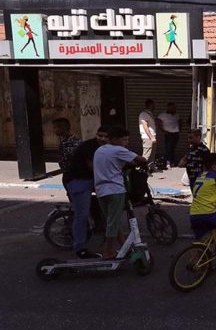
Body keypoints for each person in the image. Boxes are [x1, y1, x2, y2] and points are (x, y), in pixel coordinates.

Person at [93, 126, 147, 259]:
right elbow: (141, 159)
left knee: (111, 220)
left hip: (100, 190)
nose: (126, 142)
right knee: (113, 222)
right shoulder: (118, 150)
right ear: (115, 139)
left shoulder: (100, 150)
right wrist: (137, 162)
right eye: (124, 139)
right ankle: (108, 251)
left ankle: (123, 244)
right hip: (115, 190)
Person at [62, 126, 109, 259]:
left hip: (91, 179)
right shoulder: (89, 146)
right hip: (78, 180)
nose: (103, 139)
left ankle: (101, 228)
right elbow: (93, 167)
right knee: (82, 215)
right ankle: (80, 248)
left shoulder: (108, 146)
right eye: (100, 135)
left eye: (106, 136)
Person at [157, 102, 181, 168]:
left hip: (175, 134)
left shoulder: (176, 115)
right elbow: (158, 122)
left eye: (174, 108)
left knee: (172, 149)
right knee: (168, 149)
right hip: (168, 134)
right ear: (168, 108)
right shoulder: (163, 114)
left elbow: (179, 121)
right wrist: (162, 130)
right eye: (172, 108)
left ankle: (172, 162)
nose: (174, 109)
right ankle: (167, 163)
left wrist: (179, 129)